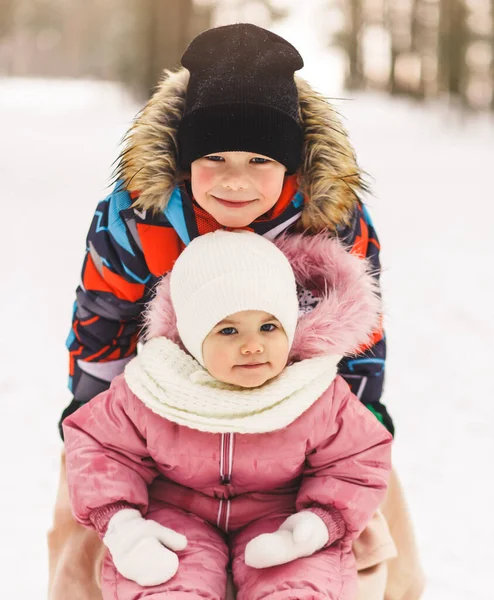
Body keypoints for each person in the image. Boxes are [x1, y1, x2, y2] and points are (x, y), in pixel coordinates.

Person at [48, 23, 424, 600]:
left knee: (368, 537)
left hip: (298, 408)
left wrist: (360, 419)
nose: (234, 181)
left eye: (260, 160)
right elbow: (103, 318)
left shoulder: (331, 218)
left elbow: (359, 332)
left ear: (292, 166)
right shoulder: (135, 217)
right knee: (86, 534)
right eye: (214, 157)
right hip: (165, 412)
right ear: (183, 157)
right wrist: (95, 429)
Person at [63, 230, 393, 600]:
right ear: (192, 336)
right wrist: (121, 522)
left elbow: (356, 458)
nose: (252, 345)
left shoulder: (313, 391)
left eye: (269, 326)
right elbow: (101, 447)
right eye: (228, 330)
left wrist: (321, 521)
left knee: (300, 582)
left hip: (280, 519)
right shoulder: (155, 386)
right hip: (176, 515)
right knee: (165, 581)